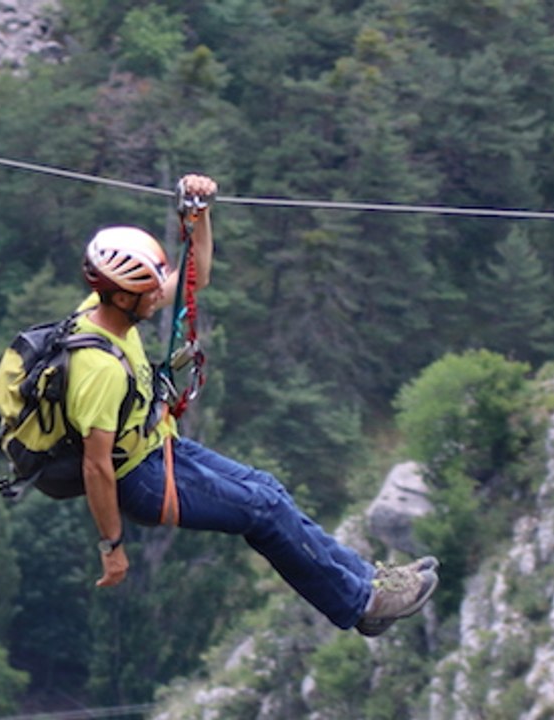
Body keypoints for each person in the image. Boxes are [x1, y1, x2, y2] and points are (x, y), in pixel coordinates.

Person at [65, 173, 437, 637]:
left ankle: (370, 583)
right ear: (121, 296)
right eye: (149, 292)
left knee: (267, 488)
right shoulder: (96, 368)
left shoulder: (111, 306)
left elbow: (195, 276)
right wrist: (112, 545)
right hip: (138, 479)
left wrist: (199, 215)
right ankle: (361, 604)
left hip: (158, 447)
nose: (160, 295)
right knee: (259, 510)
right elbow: (96, 467)